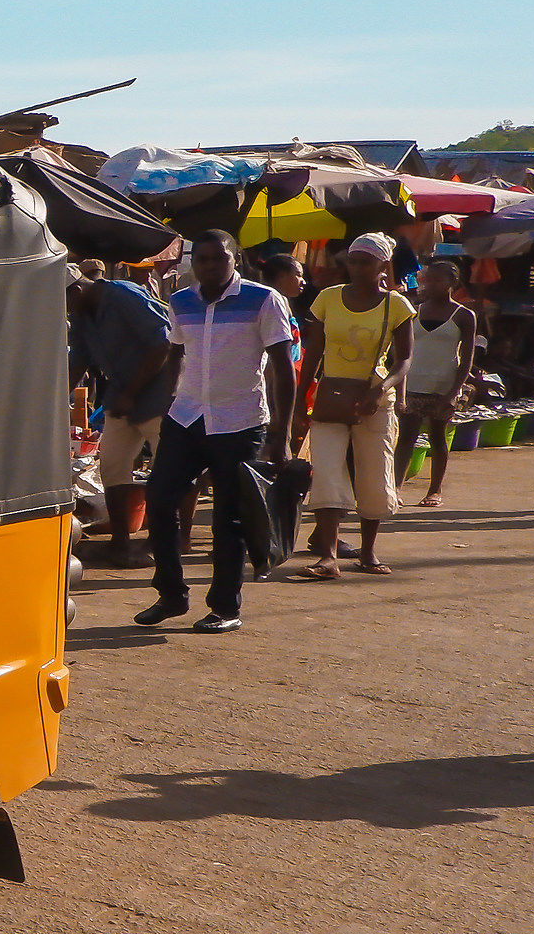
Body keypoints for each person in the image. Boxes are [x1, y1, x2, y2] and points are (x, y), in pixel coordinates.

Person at [136, 230, 295, 634]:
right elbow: (176, 351)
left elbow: (281, 365)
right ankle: (171, 594)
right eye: (202, 259)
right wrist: (168, 402)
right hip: (186, 417)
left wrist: (282, 432)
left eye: (217, 258)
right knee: (158, 500)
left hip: (239, 421)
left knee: (229, 518)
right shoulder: (181, 301)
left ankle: (225, 607)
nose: (208, 266)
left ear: (234, 259)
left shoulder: (263, 299)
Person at [292, 232, 413, 580]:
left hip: (376, 404)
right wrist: (301, 402)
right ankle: (327, 557)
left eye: (366, 261)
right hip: (330, 400)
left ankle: (368, 551)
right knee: (327, 473)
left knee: (373, 474)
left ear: (383, 265)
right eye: (353, 260)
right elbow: (312, 354)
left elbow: (404, 360)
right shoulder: (328, 298)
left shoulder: (397, 305)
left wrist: (383, 391)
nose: (357, 267)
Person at [68, 261, 175, 568]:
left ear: (76, 290)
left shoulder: (123, 295)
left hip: (158, 394)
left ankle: (161, 542)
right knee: (112, 465)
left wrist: (131, 391)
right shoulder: (81, 313)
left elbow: (162, 343)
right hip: (122, 398)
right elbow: (79, 360)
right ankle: (120, 542)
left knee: (166, 469)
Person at [392, 257, 477, 509]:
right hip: (412, 383)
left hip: (443, 387)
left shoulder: (464, 316)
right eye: (428, 279)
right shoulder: (413, 310)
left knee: (438, 439)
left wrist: (453, 393)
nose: (430, 284)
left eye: (438, 280)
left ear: (453, 282)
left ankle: (434, 490)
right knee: (406, 438)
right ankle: (396, 487)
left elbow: (466, 361)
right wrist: (400, 390)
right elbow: (400, 353)